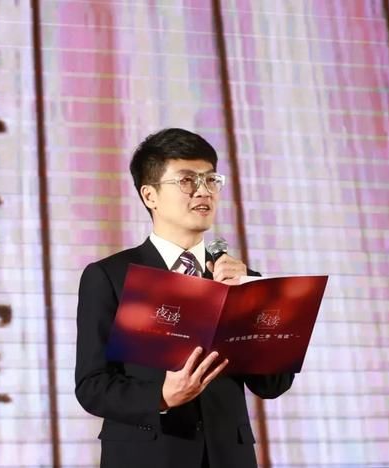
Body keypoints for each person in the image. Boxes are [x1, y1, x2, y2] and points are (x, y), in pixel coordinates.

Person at [75, 128, 294, 468]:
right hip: (147, 457)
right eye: (187, 180)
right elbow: (93, 386)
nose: (203, 191)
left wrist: (250, 299)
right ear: (150, 195)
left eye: (211, 180)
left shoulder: (239, 278)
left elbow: (272, 384)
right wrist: (162, 396)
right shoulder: (111, 276)